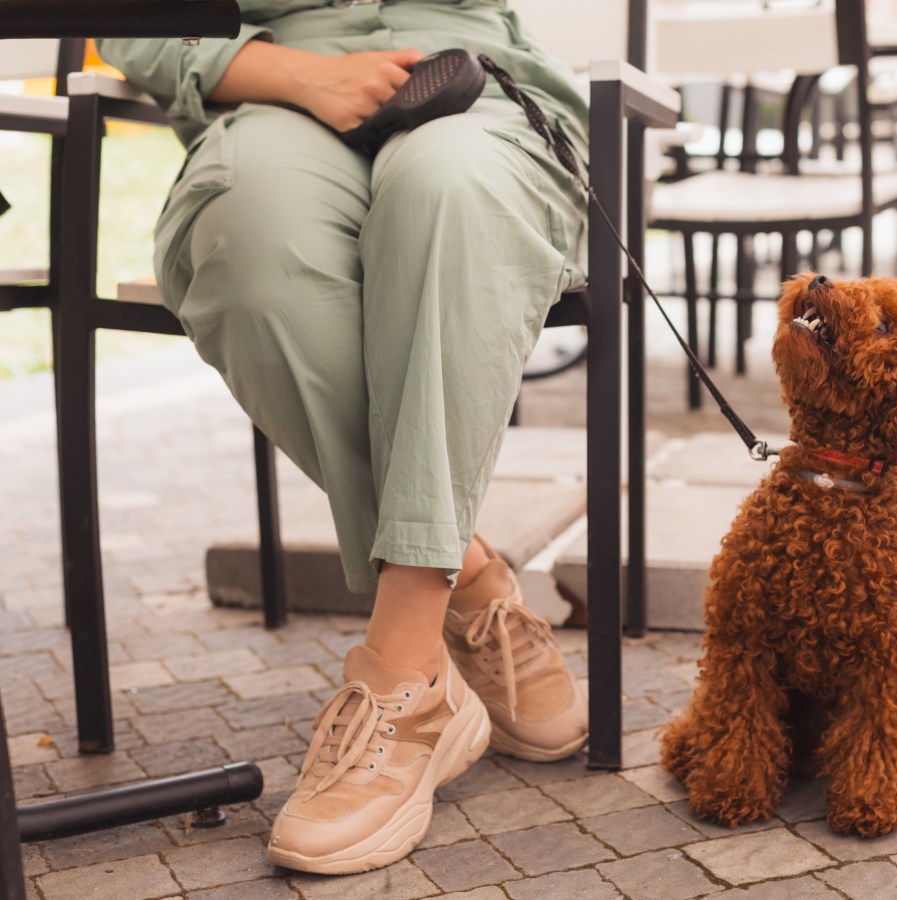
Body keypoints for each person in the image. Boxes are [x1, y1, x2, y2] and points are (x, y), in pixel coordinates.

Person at [97, 0, 589, 875]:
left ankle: (405, 676)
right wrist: (295, 73)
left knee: (444, 193)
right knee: (252, 254)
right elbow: (129, 19)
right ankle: (468, 583)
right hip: (274, 90)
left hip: (467, 80)